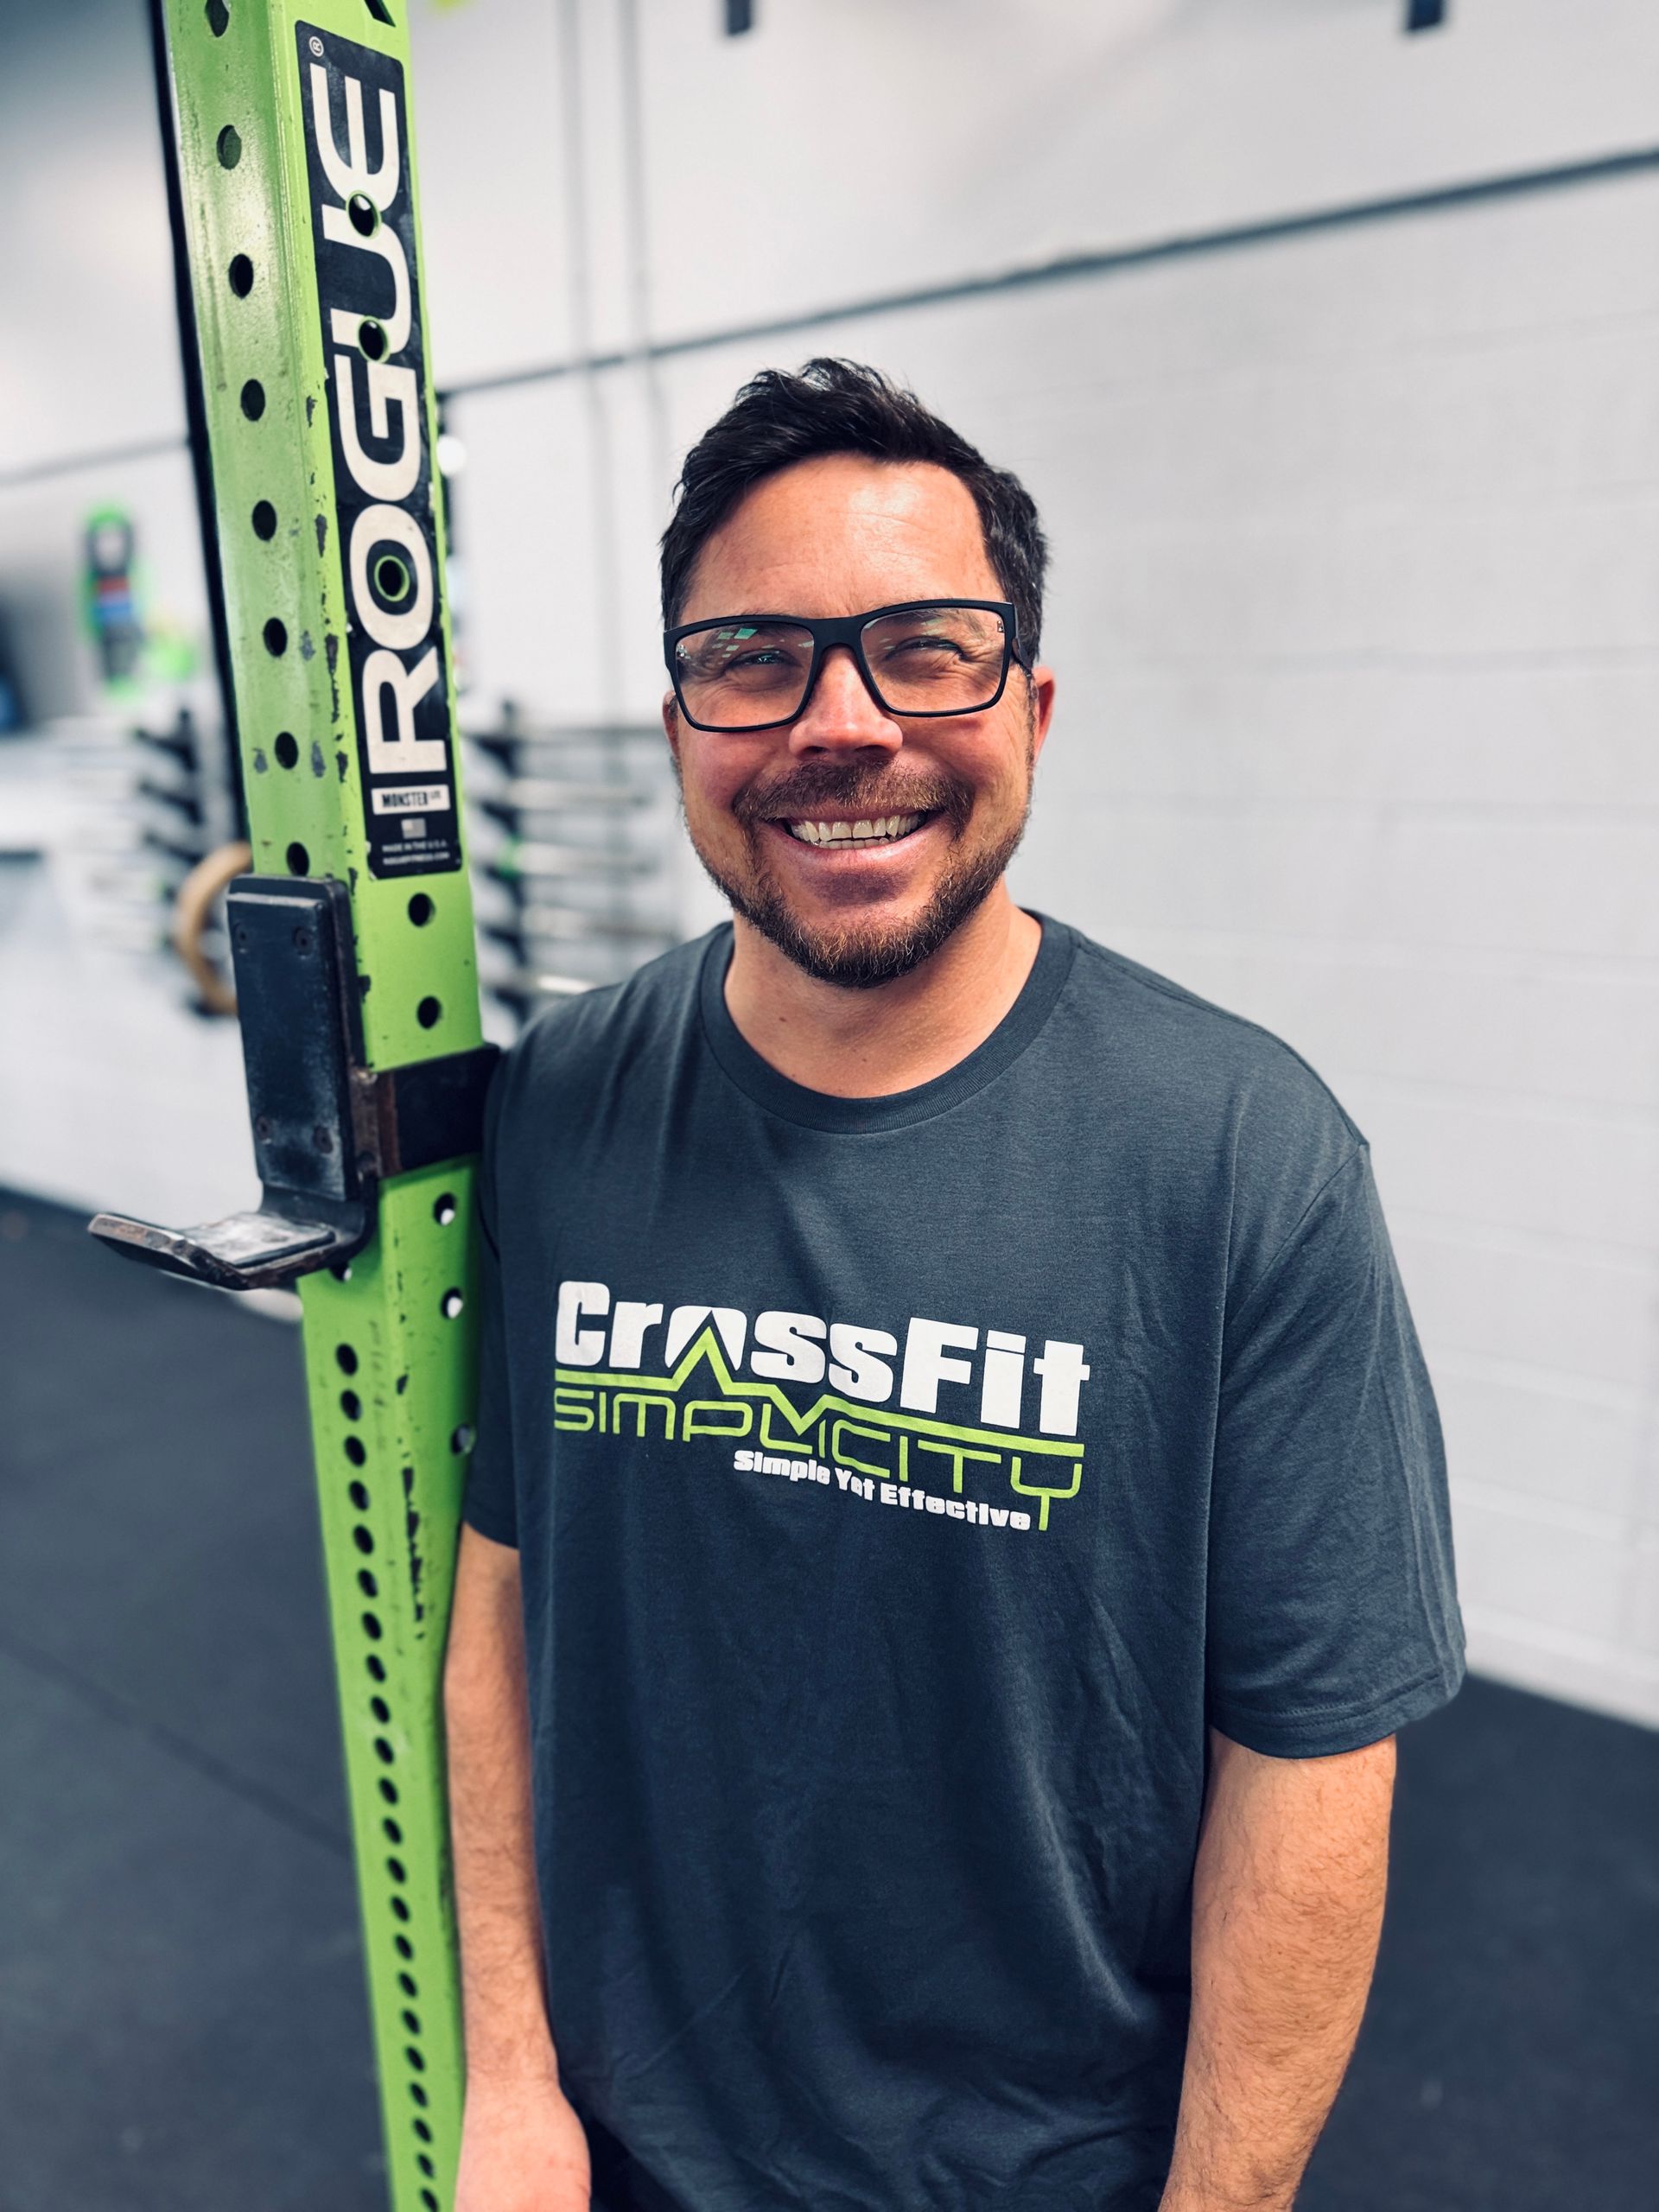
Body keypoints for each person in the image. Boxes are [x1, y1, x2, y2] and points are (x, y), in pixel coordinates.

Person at [443, 358, 1464, 2212]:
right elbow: (501, 1600)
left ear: (1033, 709)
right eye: (754, 658)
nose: (841, 725)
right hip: (619, 2149)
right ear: (678, 722)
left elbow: (1313, 1762)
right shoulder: (565, 1097)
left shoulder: (1244, 1158)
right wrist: (509, 2075)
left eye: (926, 649)